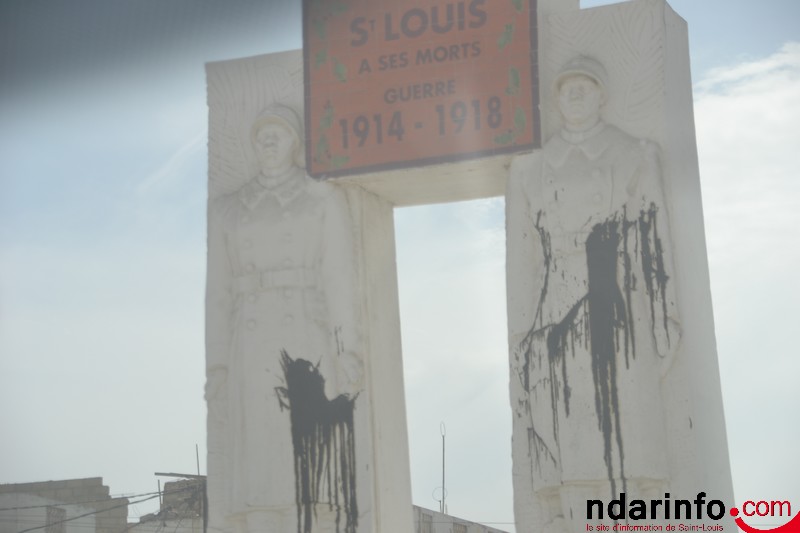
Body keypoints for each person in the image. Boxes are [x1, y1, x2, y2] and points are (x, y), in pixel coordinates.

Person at [506, 56, 680, 533]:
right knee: (568, 428)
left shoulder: (633, 153)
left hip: (618, 298)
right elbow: (524, 257)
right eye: (567, 88)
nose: (576, 95)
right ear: (556, 99)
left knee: (623, 429)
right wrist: (521, 330)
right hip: (557, 302)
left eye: (586, 86)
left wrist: (665, 315)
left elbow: (654, 237)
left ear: (603, 95)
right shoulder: (530, 168)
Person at [205, 103, 362, 533]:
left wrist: (348, 348)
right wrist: (217, 365)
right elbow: (216, 294)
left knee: (306, 455)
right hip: (251, 343)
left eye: (278, 133)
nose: (269, 142)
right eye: (261, 135)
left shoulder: (320, 198)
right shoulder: (228, 209)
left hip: (304, 335)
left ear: (296, 142)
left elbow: (339, 278)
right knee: (259, 459)